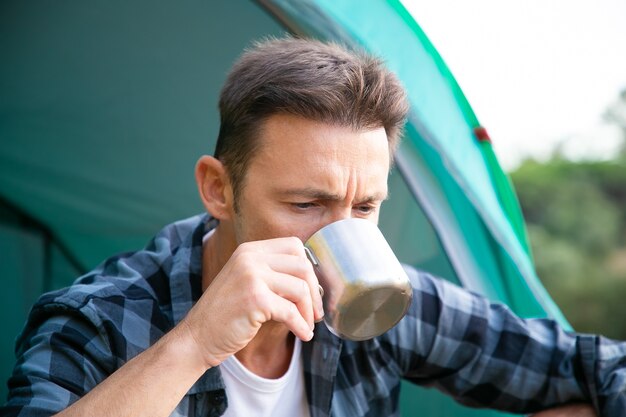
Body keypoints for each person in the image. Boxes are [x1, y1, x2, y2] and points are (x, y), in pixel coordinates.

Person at [1, 37, 623, 417]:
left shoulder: (382, 301)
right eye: (305, 204)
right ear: (219, 188)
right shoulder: (100, 319)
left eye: (363, 207)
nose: (341, 236)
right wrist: (192, 346)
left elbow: (596, 364)